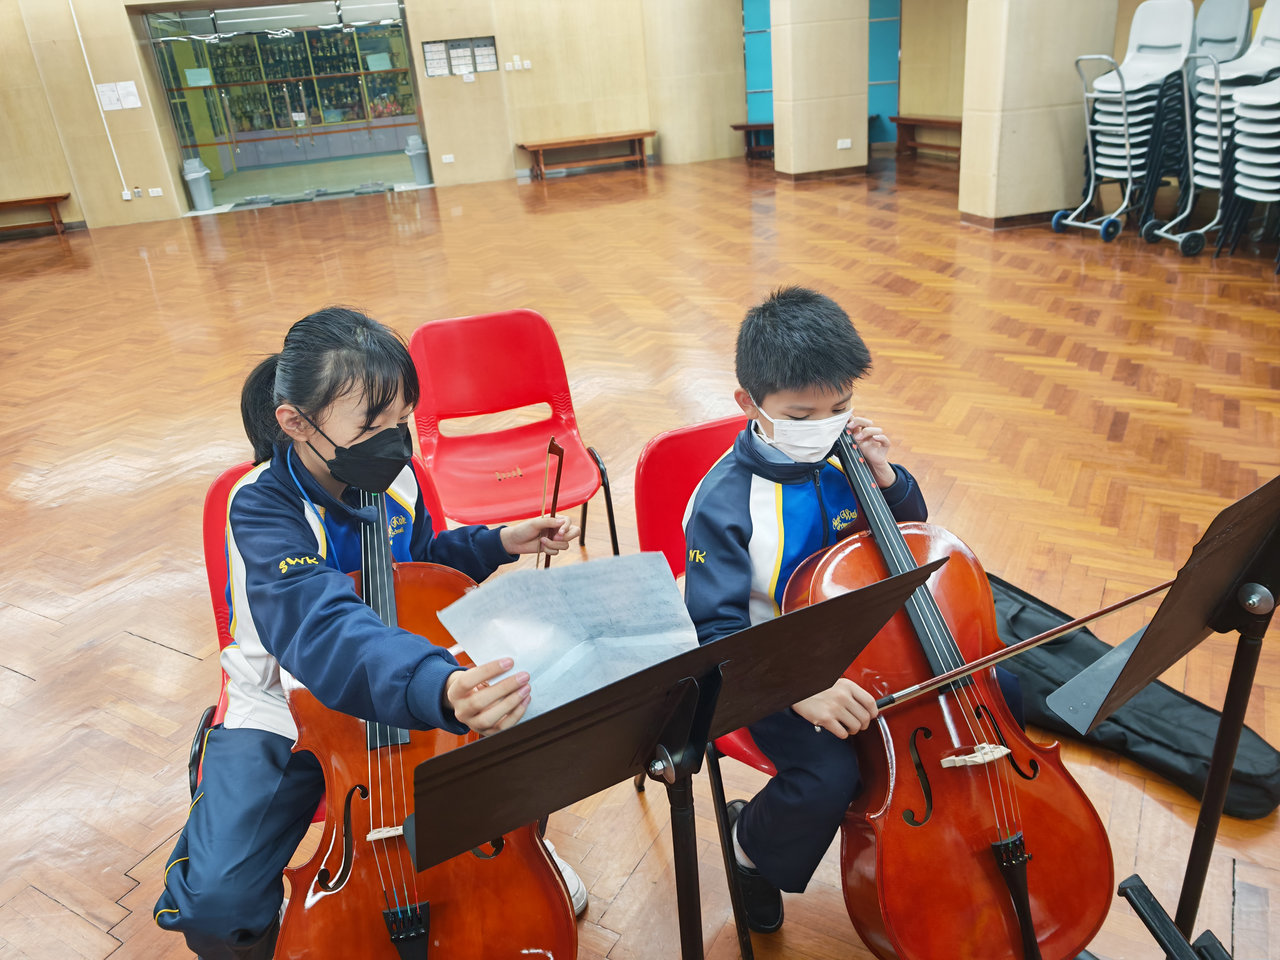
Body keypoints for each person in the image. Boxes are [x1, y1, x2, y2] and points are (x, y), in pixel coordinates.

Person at [154, 307, 586, 960]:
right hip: (287, 705)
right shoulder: (261, 508)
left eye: (402, 420)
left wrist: (497, 542)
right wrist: (438, 686)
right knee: (219, 904)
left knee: (522, 727)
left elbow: (422, 563)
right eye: (370, 426)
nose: (394, 443)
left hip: (404, 676)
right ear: (296, 423)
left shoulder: (395, 477)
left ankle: (519, 847)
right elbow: (320, 626)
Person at [683, 287, 940, 932]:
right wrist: (799, 687)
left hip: (866, 648)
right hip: (767, 666)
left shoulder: (847, 458)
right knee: (828, 771)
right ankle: (750, 851)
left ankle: (941, 846)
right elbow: (716, 631)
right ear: (749, 404)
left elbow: (909, 539)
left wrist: (887, 479)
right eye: (801, 416)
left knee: (990, 696)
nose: (825, 427)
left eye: (841, 407)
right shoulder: (721, 503)